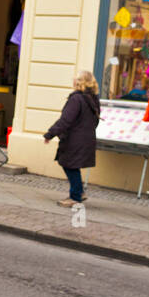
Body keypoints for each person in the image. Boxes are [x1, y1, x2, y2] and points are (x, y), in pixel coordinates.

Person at [43, 71, 100, 207]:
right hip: (86, 137)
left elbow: (66, 120)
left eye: (75, 79)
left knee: (69, 165)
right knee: (72, 165)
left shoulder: (76, 99)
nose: (73, 81)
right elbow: (96, 120)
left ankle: (76, 196)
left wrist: (50, 134)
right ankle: (79, 192)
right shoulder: (93, 99)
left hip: (74, 139)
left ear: (79, 82)